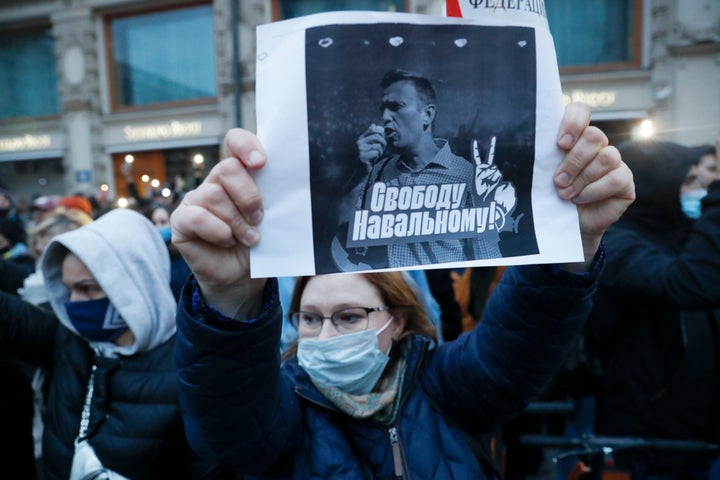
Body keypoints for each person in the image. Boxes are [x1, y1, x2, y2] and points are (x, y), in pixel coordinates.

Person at [170, 102, 635, 479]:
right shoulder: (284, 408)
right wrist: (228, 299)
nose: (325, 337)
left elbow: (522, 339)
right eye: (310, 319)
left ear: (398, 319)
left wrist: (567, 244)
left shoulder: (446, 386)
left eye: (349, 317)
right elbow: (229, 423)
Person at [0, 207, 230, 480]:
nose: (72, 302)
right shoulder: (70, 342)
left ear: (131, 284)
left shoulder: (194, 372)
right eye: (68, 288)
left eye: (86, 288)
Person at [576, 139, 720, 479]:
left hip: (693, 435)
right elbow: (687, 282)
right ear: (656, 187)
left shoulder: (680, 234)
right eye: (686, 181)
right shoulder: (617, 245)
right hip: (643, 442)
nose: (698, 188)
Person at [333, 68, 518, 270]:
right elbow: (339, 233)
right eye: (383, 109)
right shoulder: (376, 171)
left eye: (396, 107)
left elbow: (489, 262)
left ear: (427, 115)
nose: (385, 116)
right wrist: (361, 173)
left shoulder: (468, 177)